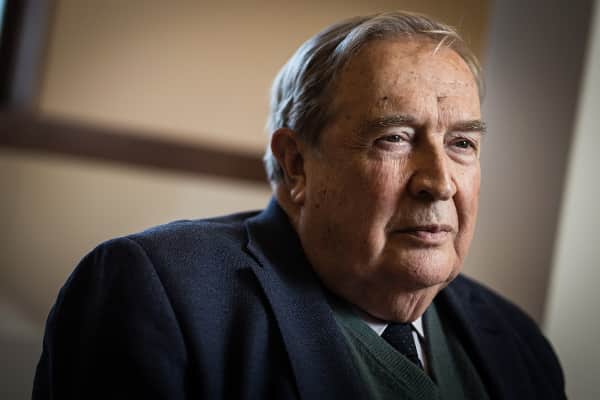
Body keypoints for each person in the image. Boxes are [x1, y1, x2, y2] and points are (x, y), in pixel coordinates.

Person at [33, 11, 566, 400]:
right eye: (394, 138)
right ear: (296, 165)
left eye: (462, 143)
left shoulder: (518, 342)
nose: (440, 183)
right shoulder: (157, 291)